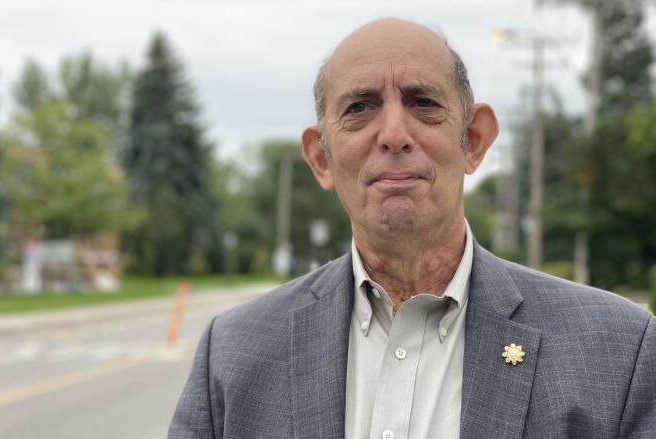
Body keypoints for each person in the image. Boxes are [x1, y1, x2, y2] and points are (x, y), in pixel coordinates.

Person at [169, 18, 655, 438]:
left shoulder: (619, 355)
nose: (395, 135)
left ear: (474, 140)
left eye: (423, 102)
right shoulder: (232, 355)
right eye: (359, 108)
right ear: (321, 158)